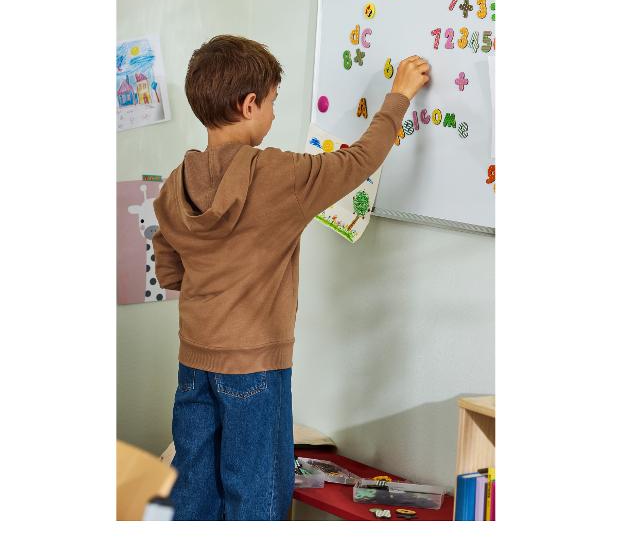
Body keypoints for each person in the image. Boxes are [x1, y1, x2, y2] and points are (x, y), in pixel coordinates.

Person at [152, 34, 430, 520]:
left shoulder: (174, 183)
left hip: (193, 362)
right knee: (255, 490)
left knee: (194, 487)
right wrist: (399, 96)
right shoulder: (279, 175)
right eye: (274, 103)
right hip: (256, 365)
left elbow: (171, 271)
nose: (276, 115)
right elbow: (359, 161)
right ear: (250, 103)